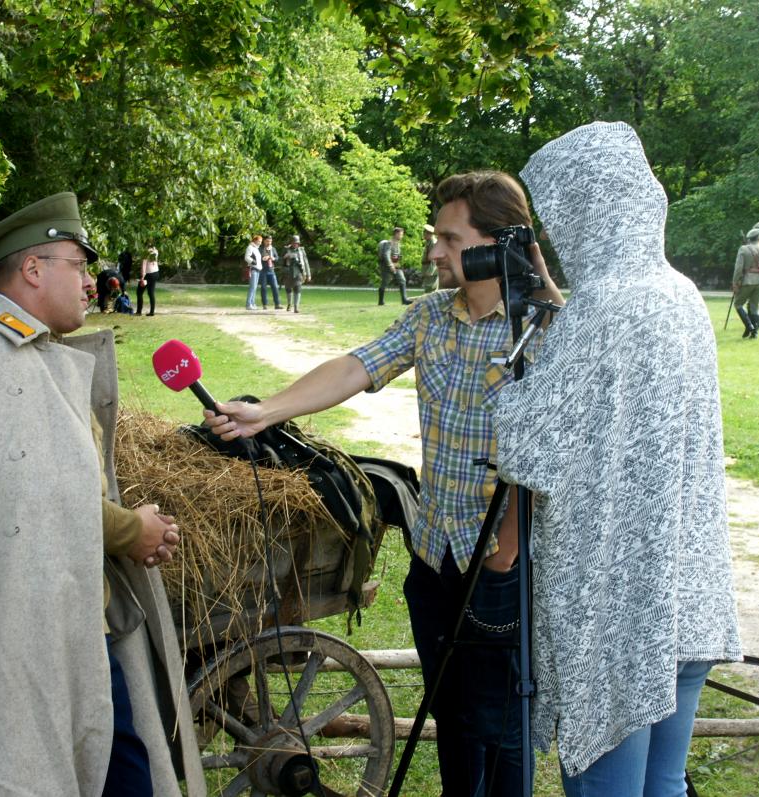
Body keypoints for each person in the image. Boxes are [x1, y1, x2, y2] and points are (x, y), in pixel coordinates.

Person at [204, 171, 563, 795]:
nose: (432, 253)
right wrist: (269, 411)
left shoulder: (548, 327)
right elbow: (357, 366)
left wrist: (508, 550)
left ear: (495, 243)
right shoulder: (428, 315)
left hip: (503, 565)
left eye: (450, 240)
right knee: (450, 711)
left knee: (502, 722)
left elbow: (566, 445)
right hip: (434, 556)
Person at [0, 192, 204, 796]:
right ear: (33, 269)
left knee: (115, 762)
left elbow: (49, 490)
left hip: (60, 627)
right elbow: (33, 502)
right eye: (78, 266)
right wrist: (133, 529)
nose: (93, 282)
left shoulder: (14, 353)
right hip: (19, 641)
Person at [495, 120, 742, 797]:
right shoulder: (682, 294)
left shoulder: (600, 309)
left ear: (582, 210)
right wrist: (558, 308)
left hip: (614, 613)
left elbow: (530, 453)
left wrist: (508, 388)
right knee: (663, 787)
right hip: (683, 593)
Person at [731, 226, 759, 338]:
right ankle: (755, 332)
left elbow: (738, 268)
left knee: (738, 304)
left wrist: (735, 282)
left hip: (747, 281)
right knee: (755, 307)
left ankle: (749, 326)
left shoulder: (743, 249)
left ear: (750, 238)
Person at [377, 226, 412, 306]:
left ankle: (404, 299)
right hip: (387, 266)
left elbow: (397, 255)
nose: (402, 236)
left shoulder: (397, 244)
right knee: (385, 283)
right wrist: (390, 265)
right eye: (400, 234)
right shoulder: (389, 243)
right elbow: (386, 255)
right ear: (396, 234)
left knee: (402, 280)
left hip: (396, 265)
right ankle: (380, 301)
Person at [281, 234, 311, 312]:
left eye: (297, 243)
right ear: (291, 242)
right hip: (288, 272)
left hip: (298, 272)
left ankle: (296, 307)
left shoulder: (301, 250)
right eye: (294, 243)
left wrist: (308, 274)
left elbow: (306, 262)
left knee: (298, 289)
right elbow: (280, 261)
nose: (295, 244)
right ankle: (289, 304)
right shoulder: (286, 249)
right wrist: (285, 257)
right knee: (288, 289)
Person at [259, 235, 283, 309]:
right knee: (263, 288)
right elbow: (257, 258)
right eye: (267, 241)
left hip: (271, 270)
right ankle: (265, 304)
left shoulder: (273, 249)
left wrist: (274, 258)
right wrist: (263, 258)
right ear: (264, 241)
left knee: (275, 287)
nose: (269, 242)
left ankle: (277, 304)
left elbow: (277, 258)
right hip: (263, 271)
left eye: (270, 241)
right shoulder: (260, 249)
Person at [137, 245, 159, 316]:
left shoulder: (146, 252)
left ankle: (139, 311)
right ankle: (152, 312)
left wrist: (142, 277)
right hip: (155, 272)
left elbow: (144, 265)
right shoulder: (155, 250)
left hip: (148, 274)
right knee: (151, 293)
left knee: (139, 292)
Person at [244, 233, 263, 310]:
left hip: (258, 269)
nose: (260, 243)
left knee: (255, 287)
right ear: (255, 240)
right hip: (253, 269)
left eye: (261, 241)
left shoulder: (256, 248)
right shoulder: (250, 247)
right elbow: (246, 257)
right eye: (259, 241)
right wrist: (253, 262)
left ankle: (253, 303)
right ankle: (248, 304)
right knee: (252, 287)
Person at [420, 223, 439, 292]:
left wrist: (430, 271)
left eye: (424, 232)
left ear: (429, 234)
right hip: (427, 269)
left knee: (430, 289)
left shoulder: (433, 243)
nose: (423, 234)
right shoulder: (428, 242)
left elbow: (434, 259)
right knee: (428, 289)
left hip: (431, 271)